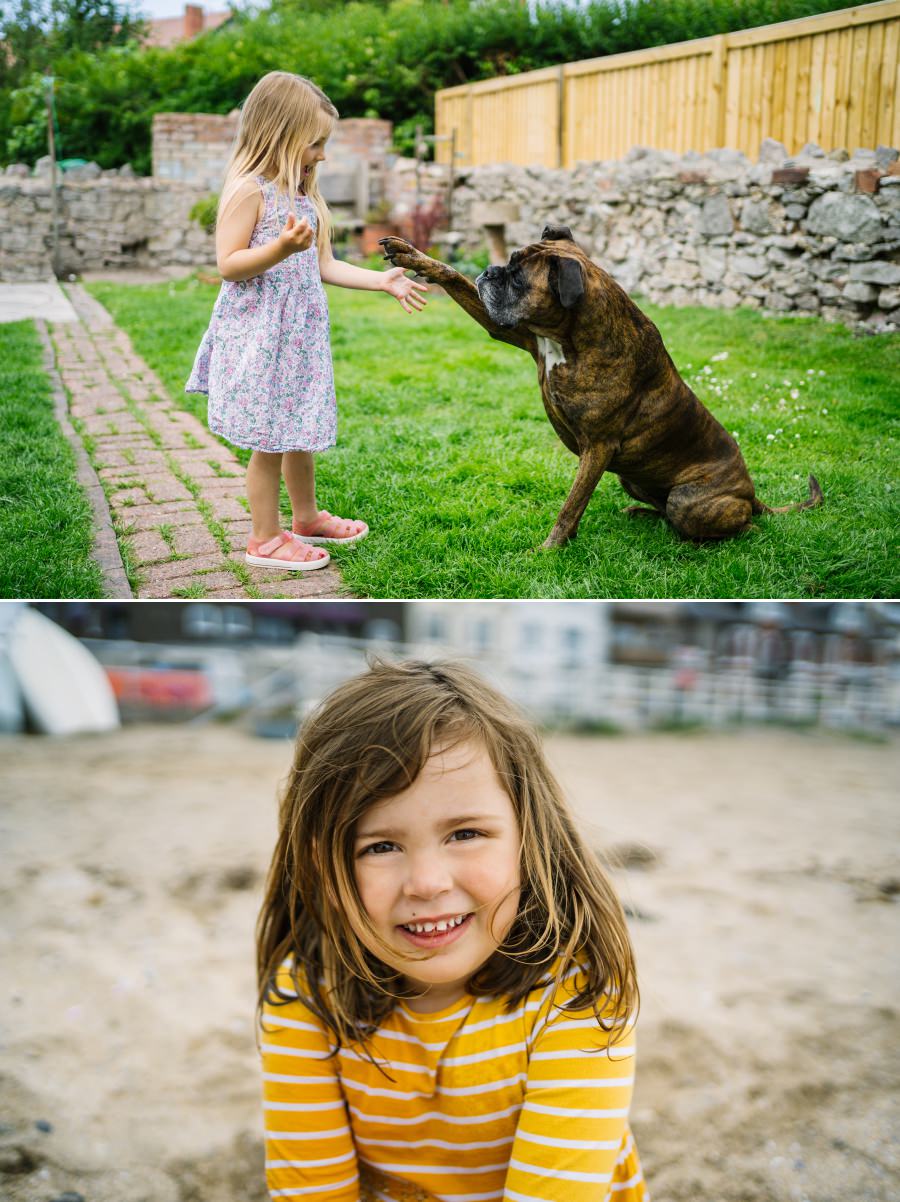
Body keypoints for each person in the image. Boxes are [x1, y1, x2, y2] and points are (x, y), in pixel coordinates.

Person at [256, 659, 648, 1201]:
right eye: (381, 846)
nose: (427, 883)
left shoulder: (575, 996)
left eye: (465, 833)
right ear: (324, 863)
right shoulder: (305, 992)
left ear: (529, 838)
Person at [186, 72, 427, 572]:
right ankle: (265, 539)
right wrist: (277, 248)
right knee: (269, 440)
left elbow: (324, 265)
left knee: (298, 430)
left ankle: (307, 516)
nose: (322, 154)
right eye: (315, 143)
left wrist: (382, 281)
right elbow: (228, 264)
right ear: (280, 134)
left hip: (298, 340)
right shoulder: (248, 191)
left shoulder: (302, 197)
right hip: (260, 336)